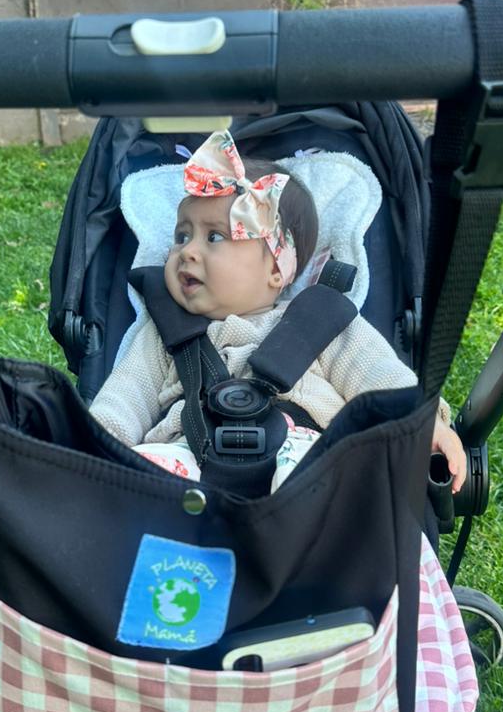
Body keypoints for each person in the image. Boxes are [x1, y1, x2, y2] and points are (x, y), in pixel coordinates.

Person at [90, 127, 467, 493]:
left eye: (215, 236)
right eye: (182, 236)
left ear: (276, 268)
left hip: (307, 454)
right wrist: (92, 446)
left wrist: (423, 425)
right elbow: (124, 401)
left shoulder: (321, 322)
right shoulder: (162, 332)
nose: (187, 251)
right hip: (188, 455)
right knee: (140, 475)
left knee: (350, 476)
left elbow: (380, 377)